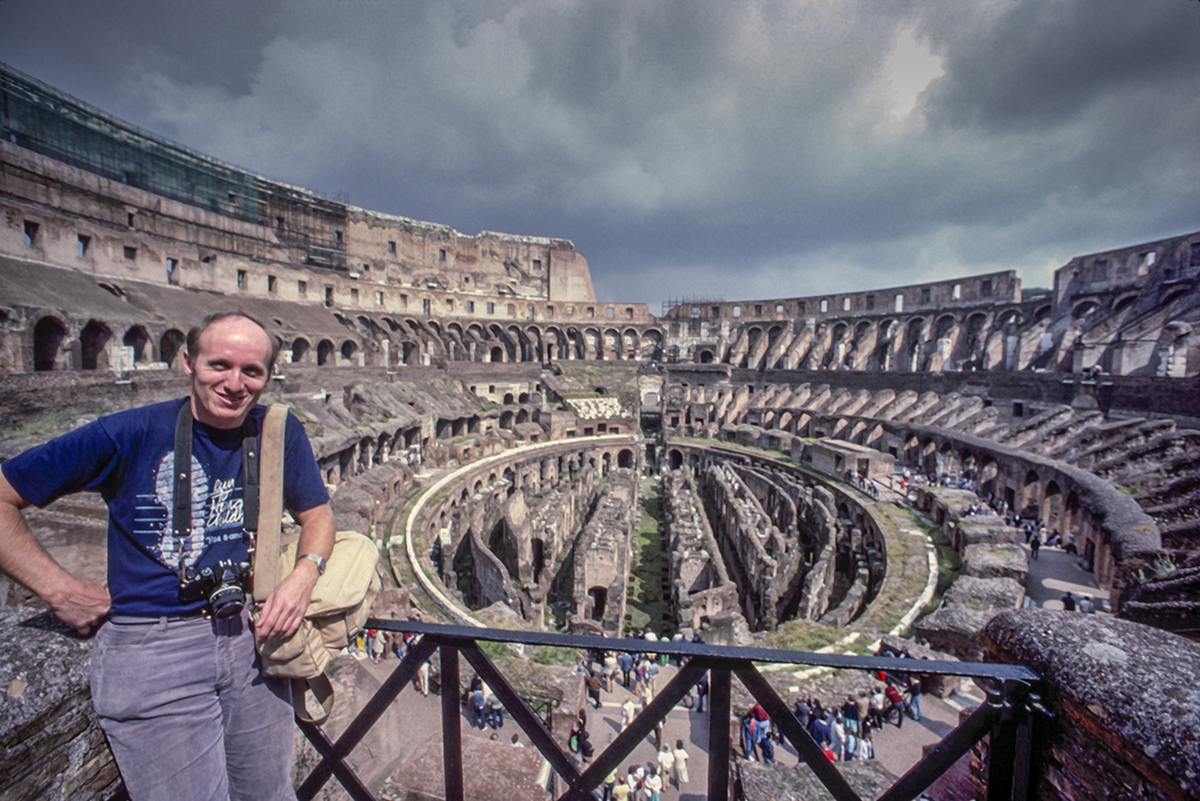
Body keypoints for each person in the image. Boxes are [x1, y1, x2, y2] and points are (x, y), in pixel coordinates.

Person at [0, 312, 335, 801]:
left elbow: (319, 517)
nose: (235, 383)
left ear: (268, 377)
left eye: (252, 371)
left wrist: (305, 574)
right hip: (154, 650)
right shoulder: (128, 432)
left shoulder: (278, 431)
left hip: (250, 643)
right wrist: (58, 589)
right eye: (219, 364)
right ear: (187, 363)